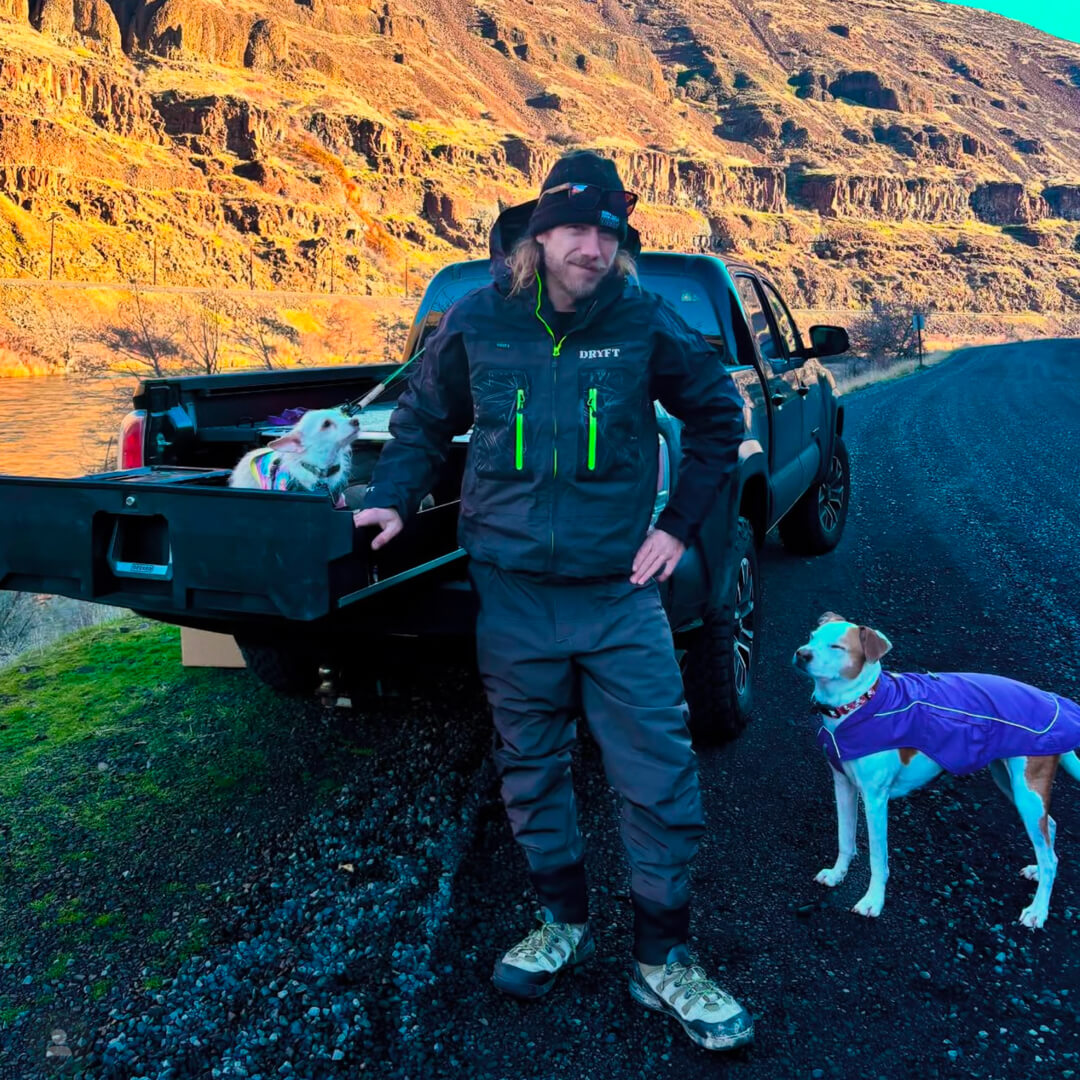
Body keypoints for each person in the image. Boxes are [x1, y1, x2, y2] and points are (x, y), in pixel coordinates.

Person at [353, 150, 752, 1051]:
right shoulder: (479, 320)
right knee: (529, 764)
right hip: (514, 597)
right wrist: (391, 497)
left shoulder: (643, 323)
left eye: (608, 233)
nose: (593, 248)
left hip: (618, 595)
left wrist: (678, 527)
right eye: (576, 229)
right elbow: (420, 419)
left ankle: (665, 958)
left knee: (657, 770)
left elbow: (721, 419)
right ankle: (560, 920)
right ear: (540, 235)